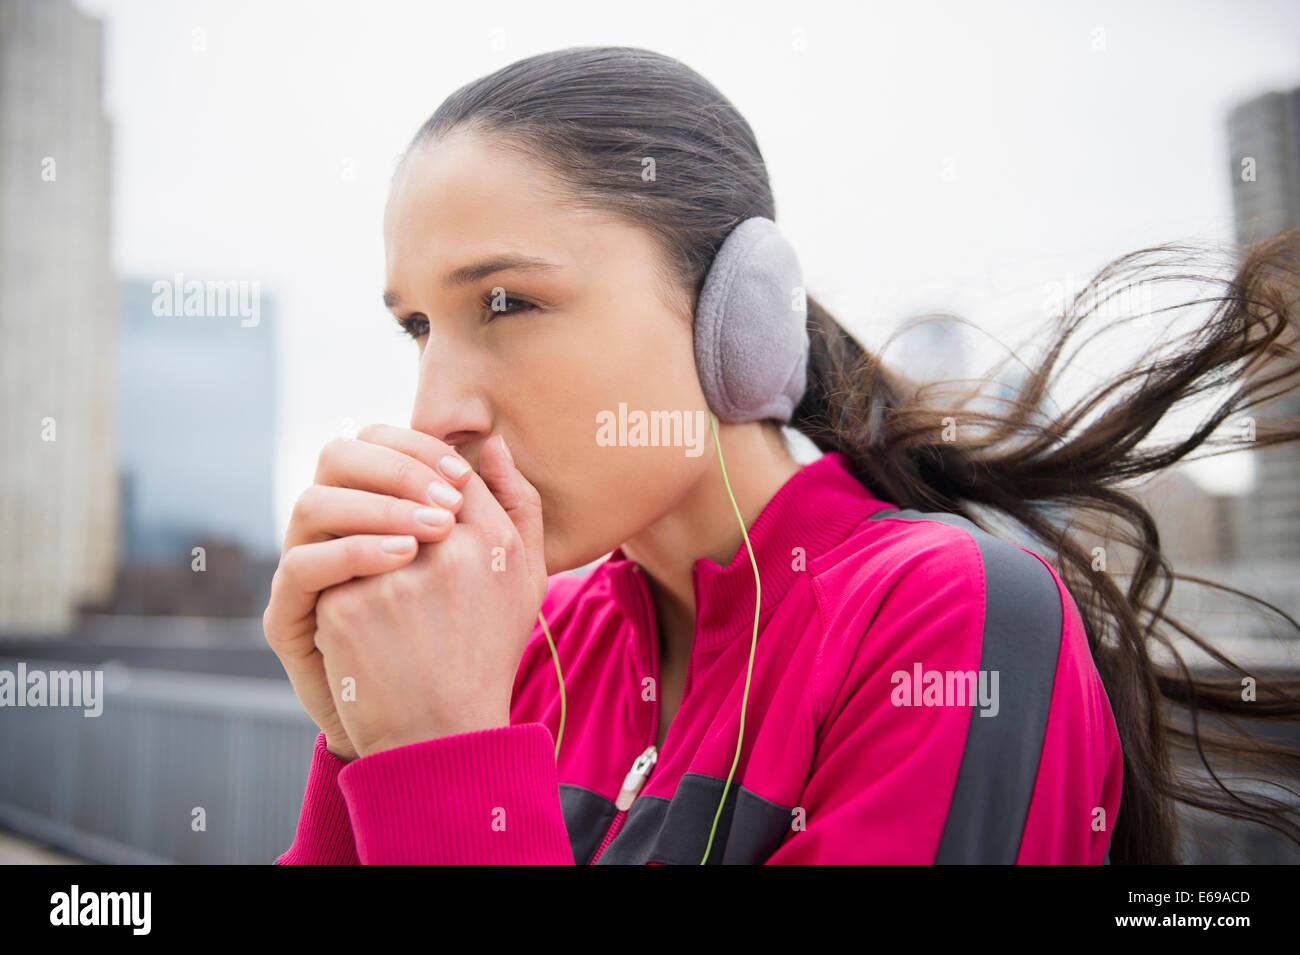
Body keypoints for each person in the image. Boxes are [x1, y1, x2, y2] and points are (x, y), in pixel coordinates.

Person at [266, 46, 1300, 865]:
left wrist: (443, 758)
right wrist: (368, 741)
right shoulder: (517, 649)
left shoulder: (947, 617)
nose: (435, 407)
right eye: (416, 327)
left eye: (507, 303)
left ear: (738, 315)